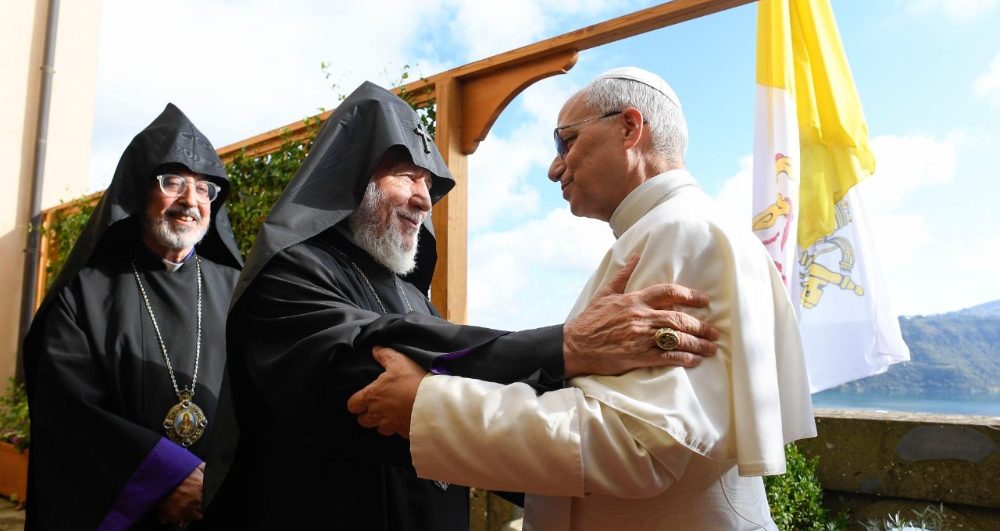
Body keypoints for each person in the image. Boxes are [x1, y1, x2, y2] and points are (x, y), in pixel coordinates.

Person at [224, 81, 721, 530]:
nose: (424, 200)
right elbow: (368, 377)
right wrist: (566, 347)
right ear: (349, 180)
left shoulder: (410, 295)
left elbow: (467, 388)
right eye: (407, 176)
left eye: (428, 183)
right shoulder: (290, 273)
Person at [348, 68, 818, 530]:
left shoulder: (682, 233)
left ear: (629, 128)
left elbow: (636, 445)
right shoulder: (669, 230)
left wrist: (427, 407)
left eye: (565, 142)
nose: (554, 168)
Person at [22, 104, 243, 530]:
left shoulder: (238, 290)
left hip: (220, 504)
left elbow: (261, 398)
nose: (190, 201)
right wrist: (166, 480)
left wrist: (216, 481)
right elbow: (69, 410)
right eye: (173, 182)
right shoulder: (84, 293)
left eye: (204, 189)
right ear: (141, 191)